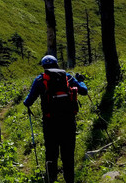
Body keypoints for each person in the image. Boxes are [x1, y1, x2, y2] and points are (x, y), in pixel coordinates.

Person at [23, 55, 88, 183]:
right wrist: (80, 80)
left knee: (51, 154)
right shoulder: (67, 77)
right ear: (57, 65)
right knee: (68, 154)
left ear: (43, 67)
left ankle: (51, 179)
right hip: (68, 122)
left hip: (50, 124)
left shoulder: (40, 80)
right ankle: (69, 180)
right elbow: (84, 91)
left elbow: (28, 102)